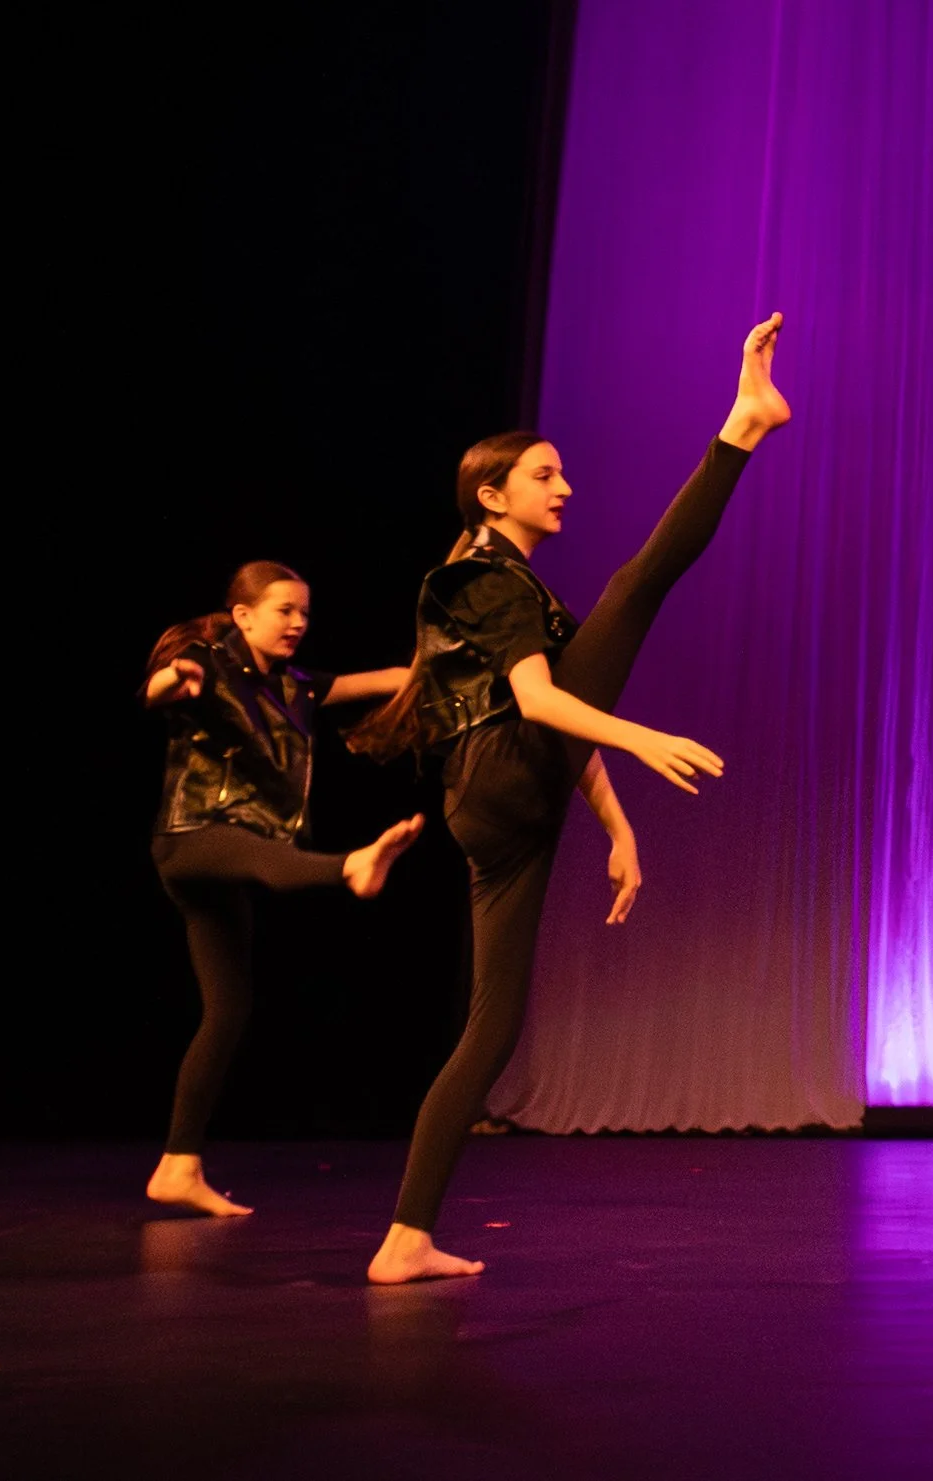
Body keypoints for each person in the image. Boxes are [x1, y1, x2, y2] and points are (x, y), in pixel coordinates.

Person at [348, 314, 790, 1282]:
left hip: (503, 800)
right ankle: (742, 425)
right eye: (544, 475)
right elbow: (542, 704)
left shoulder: (507, 586)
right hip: (504, 772)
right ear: (491, 494)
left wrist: (619, 827)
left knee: (491, 1028)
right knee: (639, 583)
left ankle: (405, 1236)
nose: (565, 488)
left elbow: (560, 718)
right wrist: (644, 738)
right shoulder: (483, 576)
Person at [143, 561, 423, 1217]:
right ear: (243, 616)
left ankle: (177, 1166)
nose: (298, 623)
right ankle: (351, 866)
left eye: (304, 612)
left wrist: (447, 660)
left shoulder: (298, 686)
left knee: (227, 1011)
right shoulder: (208, 664)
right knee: (270, 860)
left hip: (226, 863)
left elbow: (388, 678)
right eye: (284, 611)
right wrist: (173, 679)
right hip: (193, 839)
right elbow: (159, 690)